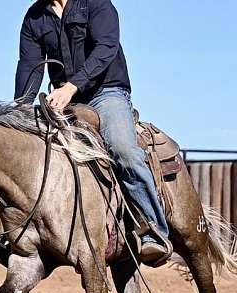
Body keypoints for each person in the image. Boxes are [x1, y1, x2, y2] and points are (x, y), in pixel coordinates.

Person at [14, 0, 172, 264]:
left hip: (106, 92)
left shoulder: (95, 3)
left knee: (123, 150)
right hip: (64, 98)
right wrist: (19, 110)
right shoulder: (34, 17)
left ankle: (153, 231)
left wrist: (71, 87)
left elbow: (106, 47)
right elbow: (29, 66)